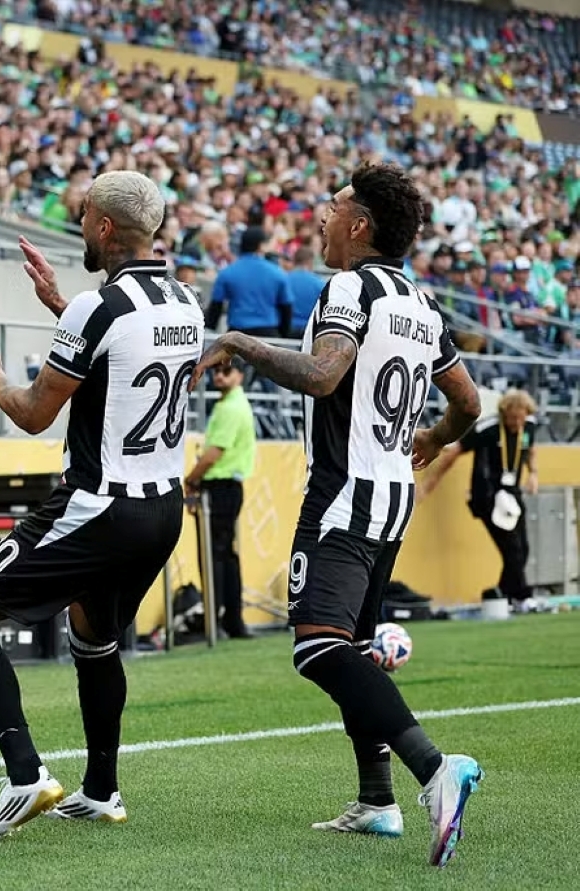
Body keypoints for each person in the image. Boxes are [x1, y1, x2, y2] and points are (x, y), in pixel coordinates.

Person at [192, 162, 485, 868]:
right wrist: (432, 437)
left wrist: (237, 342)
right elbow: (469, 403)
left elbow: (323, 376)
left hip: (343, 494)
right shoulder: (421, 303)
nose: (321, 216)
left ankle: (435, 768)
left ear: (358, 225)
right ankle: (377, 799)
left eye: (333, 206)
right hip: (391, 498)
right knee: (352, 643)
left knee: (318, 647)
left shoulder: (350, 288)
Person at [0, 171, 200, 839]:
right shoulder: (185, 301)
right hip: (162, 507)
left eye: (84, 215)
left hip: (101, 504)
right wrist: (62, 304)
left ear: (105, 228)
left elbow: (34, 413)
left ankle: (25, 775)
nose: (80, 225)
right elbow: (122, 357)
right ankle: (102, 791)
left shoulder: (98, 307)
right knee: (94, 638)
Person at [418, 389, 538, 607]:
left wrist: (533, 473)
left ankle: (502, 596)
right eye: (513, 418)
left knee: (523, 548)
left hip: (511, 494)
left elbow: (529, 448)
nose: (517, 423)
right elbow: (454, 452)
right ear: (504, 413)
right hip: (488, 496)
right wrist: (428, 485)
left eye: (521, 418)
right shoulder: (487, 429)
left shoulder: (528, 425)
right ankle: (522, 596)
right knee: (513, 549)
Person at [184, 356, 257, 639]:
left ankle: (216, 620)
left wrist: (191, 479)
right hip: (227, 487)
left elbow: (214, 453)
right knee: (226, 555)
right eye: (216, 371)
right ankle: (231, 620)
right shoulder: (232, 405)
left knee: (213, 555)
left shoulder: (230, 408)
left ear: (240, 375)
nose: (219, 376)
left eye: (226, 371)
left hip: (220, 487)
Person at [206, 226, 292, 338]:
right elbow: (286, 308)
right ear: (261, 246)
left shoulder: (227, 273)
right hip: (268, 334)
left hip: (237, 334)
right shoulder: (277, 273)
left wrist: (210, 333)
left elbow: (215, 308)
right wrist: (283, 336)